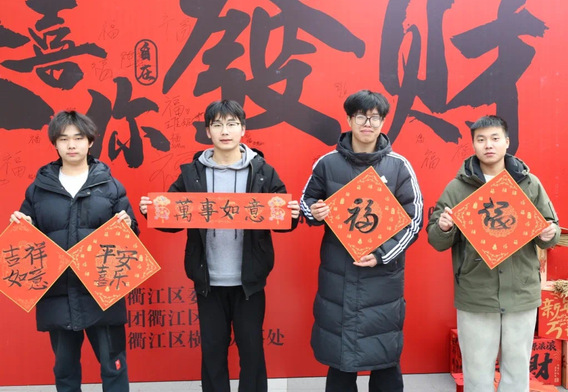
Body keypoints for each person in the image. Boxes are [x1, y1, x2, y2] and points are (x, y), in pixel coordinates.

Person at [139, 99, 300, 392]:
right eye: (218, 125)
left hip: (249, 281)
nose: (225, 131)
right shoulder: (192, 173)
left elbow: (283, 220)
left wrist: (292, 214)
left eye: (232, 124)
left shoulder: (263, 171)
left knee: (252, 352)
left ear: (243, 129)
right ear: (208, 131)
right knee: (213, 351)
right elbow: (171, 218)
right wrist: (151, 211)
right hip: (208, 281)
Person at [300, 90, 423, 392]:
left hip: (382, 280)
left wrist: (381, 254)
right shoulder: (327, 163)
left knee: (384, 357)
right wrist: (315, 211)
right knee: (341, 359)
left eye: (374, 118)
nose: (368, 124)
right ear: (349, 119)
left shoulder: (398, 166)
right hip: (338, 277)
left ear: (383, 122)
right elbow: (306, 202)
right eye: (361, 117)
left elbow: (414, 219)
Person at [426, 115, 559, 392]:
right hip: (476, 293)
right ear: (473, 145)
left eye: (495, 138)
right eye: (481, 139)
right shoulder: (458, 188)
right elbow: (436, 240)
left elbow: (550, 228)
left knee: (517, 369)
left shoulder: (528, 183)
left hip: (521, 290)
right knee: (476, 371)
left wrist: (549, 233)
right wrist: (444, 227)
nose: (489, 145)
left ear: (507, 142)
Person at [9, 111, 137, 392]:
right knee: (65, 372)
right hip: (58, 293)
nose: (71, 145)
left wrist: (128, 225)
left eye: (78, 138)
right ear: (55, 143)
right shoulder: (38, 189)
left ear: (90, 142)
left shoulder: (110, 186)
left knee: (114, 368)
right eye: (64, 139)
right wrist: (22, 225)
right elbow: (28, 238)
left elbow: (132, 235)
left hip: (102, 293)